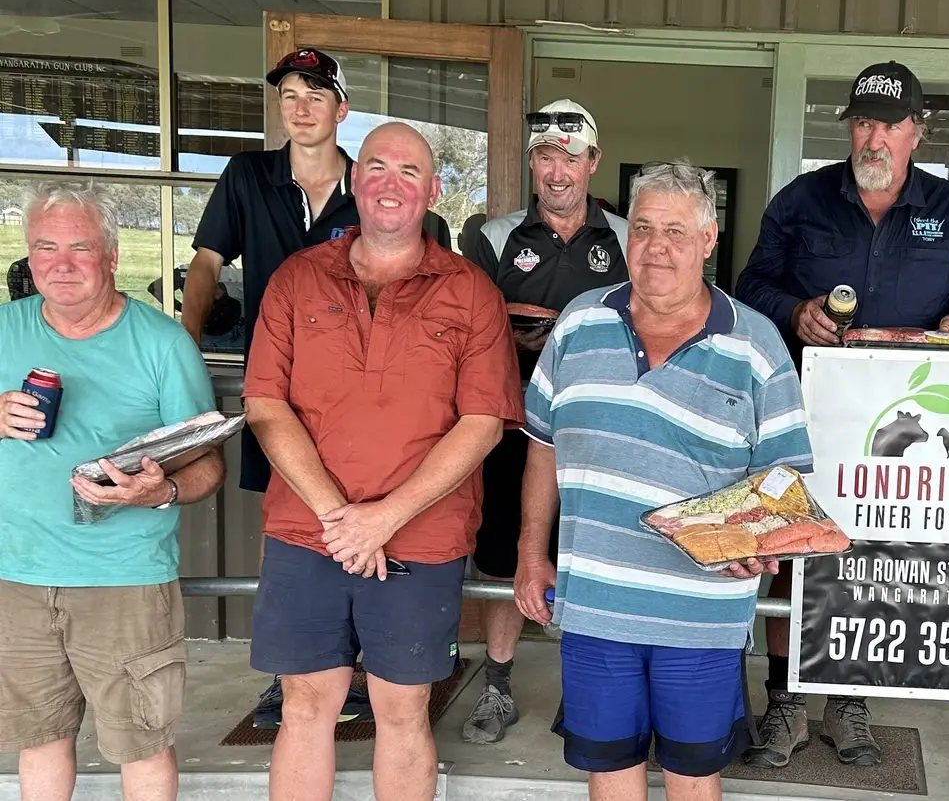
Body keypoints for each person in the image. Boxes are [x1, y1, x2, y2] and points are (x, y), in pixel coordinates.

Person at [241, 122, 523, 801]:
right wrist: (345, 520)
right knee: (306, 705)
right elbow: (265, 407)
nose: (390, 182)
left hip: (419, 540)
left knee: (402, 711)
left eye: (408, 171)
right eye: (376, 166)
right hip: (308, 532)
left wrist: (384, 518)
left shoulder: (471, 292)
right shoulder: (297, 278)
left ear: (432, 191)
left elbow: (482, 424)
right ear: (354, 180)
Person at [515, 161, 814, 801]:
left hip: (700, 615)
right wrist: (529, 553)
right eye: (645, 228)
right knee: (610, 768)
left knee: (693, 775)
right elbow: (541, 444)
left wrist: (759, 544)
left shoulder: (756, 343)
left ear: (708, 241)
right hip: (597, 604)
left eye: (677, 231)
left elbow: (784, 478)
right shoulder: (577, 323)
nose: (658, 247)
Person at [734, 60, 949, 768]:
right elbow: (749, 283)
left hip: (900, 423)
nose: (873, 137)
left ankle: (848, 698)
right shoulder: (801, 200)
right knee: (795, 550)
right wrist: (794, 310)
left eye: (889, 124)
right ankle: (786, 700)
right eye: (863, 122)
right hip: (808, 408)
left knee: (873, 559)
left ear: (916, 132)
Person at [186, 47, 453, 729]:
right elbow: (208, 264)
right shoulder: (248, 175)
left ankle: (364, 668)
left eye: (315, 94)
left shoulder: (375, 193)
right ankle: (297, 670)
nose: (300, 107)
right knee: (286, 518)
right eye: (289, 95)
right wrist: (187, 350)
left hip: (381, 416)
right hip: (284, 397)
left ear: (342, 109)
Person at [0, 182, 226, 801]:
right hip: (16, 578)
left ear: (111, 255)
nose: (62, 264)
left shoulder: (161, 343)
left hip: (123, 581)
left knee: (142, 747)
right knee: (37, 740)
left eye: (81, 247)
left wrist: (157, 492)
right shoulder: (3, 328)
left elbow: (208, 468)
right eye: (46, 248)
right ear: (28, 256)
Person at [459, 99, 629, 744]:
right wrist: (512, 333)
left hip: (598, 430)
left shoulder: (624, 233)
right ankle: (497, 685)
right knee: (506, 558)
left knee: (590, 558)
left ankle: (580, 688)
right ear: (533, 163)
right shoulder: (492, 235)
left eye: (570, 157)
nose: (557, 172)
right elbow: (464, 329)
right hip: (510, 425)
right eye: (545, 157)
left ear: (593, 162)